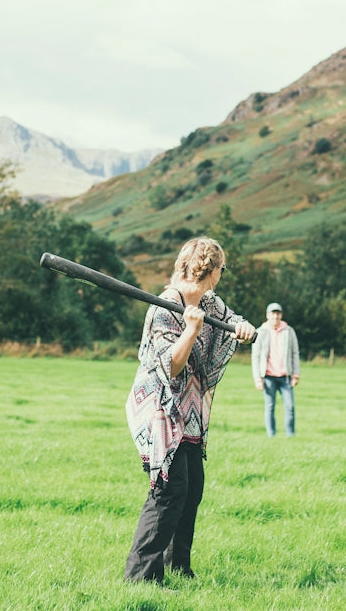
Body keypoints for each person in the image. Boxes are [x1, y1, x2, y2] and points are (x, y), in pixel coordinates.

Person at [124, 237, 256, 584]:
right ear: (211, 271)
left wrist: (243, 328)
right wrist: (192, 330)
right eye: (221, 270)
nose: (220, 276)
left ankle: (178, 566)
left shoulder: (210, 303)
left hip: (190, 410)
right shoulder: (164, 307)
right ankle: (140, 577)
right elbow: (171, 367)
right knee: (169, 487)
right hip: (160, 406)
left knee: (192, 485)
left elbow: (231, 321)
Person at [252, 302, 300, 437]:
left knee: (290, 407)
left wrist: (296, 374)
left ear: (281, 315)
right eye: (272, 313)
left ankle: (291, 435)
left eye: (278, 313)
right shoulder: (260, 332)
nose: (275, 316)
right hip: (268, 377)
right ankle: (271, 435)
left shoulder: (289, 331)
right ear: (268, 315)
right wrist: (257, 378)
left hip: (285, 377)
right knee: (270, 407)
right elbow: (255, 357)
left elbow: (295, 353)